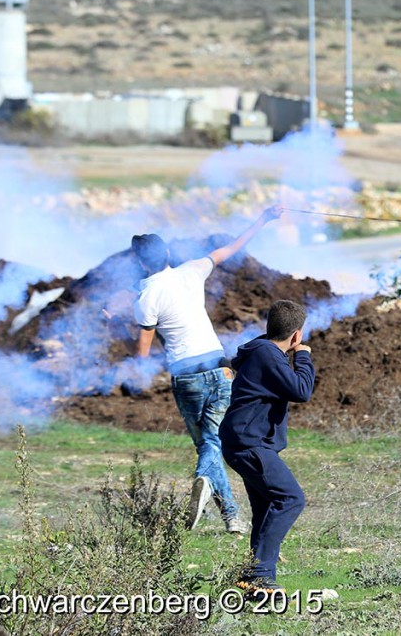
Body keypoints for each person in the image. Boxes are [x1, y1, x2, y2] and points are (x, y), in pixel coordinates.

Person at [131, 206, 282, 533]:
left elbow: (143, 346)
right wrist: (263, 219)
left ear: (141, 263)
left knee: (208, 445)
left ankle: (209, 487)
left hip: (186, 378)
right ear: (168, 253)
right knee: (215, 443)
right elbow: (229, 249)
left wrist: (137, 377)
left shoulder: (146, 295)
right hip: (220, 369)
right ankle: (233, 518)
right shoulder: (191, 271)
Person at [219, 300, 315, 597]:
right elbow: (301, 390)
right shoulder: (267, 355)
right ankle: (260, 573)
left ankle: (254, 578)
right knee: (290, 498)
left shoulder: (260, 350)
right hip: (249, 444)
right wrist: (303, 357)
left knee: (265, 507)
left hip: (245, 441)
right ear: (297, 335)